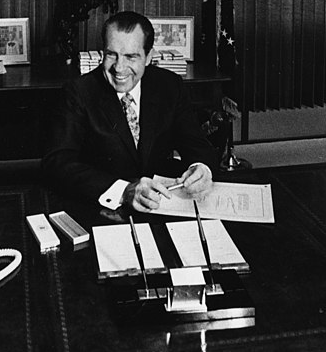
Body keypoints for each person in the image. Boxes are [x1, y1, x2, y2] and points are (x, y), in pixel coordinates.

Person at [42, 11, 220, 213]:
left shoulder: (170, 85)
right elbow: (56, 164)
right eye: (111, 55)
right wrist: (124, 190)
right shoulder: (79, 92)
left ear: (148, 57)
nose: (119, 68)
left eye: (131, 57)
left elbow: (197, 145)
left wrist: (201, 169)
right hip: (102, 208)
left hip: (161, 205)